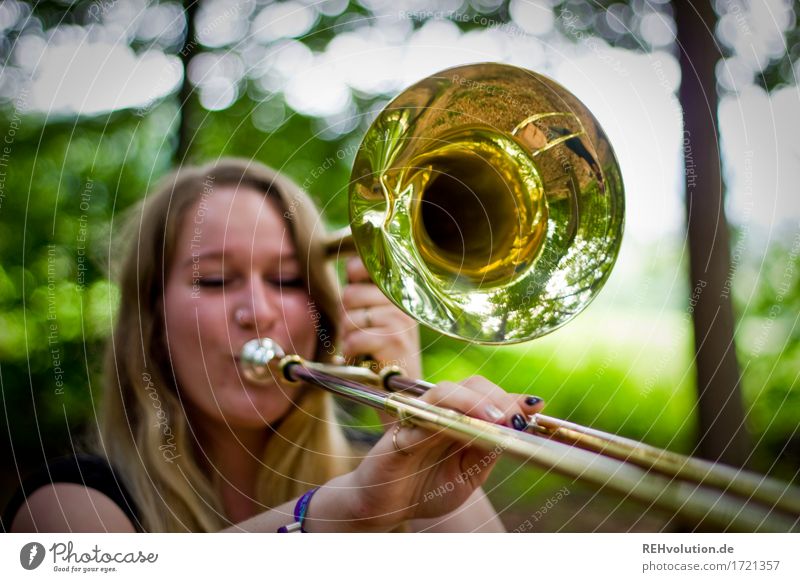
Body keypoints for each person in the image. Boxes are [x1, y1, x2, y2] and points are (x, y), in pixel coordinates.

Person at [7, 158, 544, 533]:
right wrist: (343, 511)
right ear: (150, 322)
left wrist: (409, 406)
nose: (258, 311)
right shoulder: (70, 506)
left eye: (288, 281)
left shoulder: (382, 467)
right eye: (215, 280)